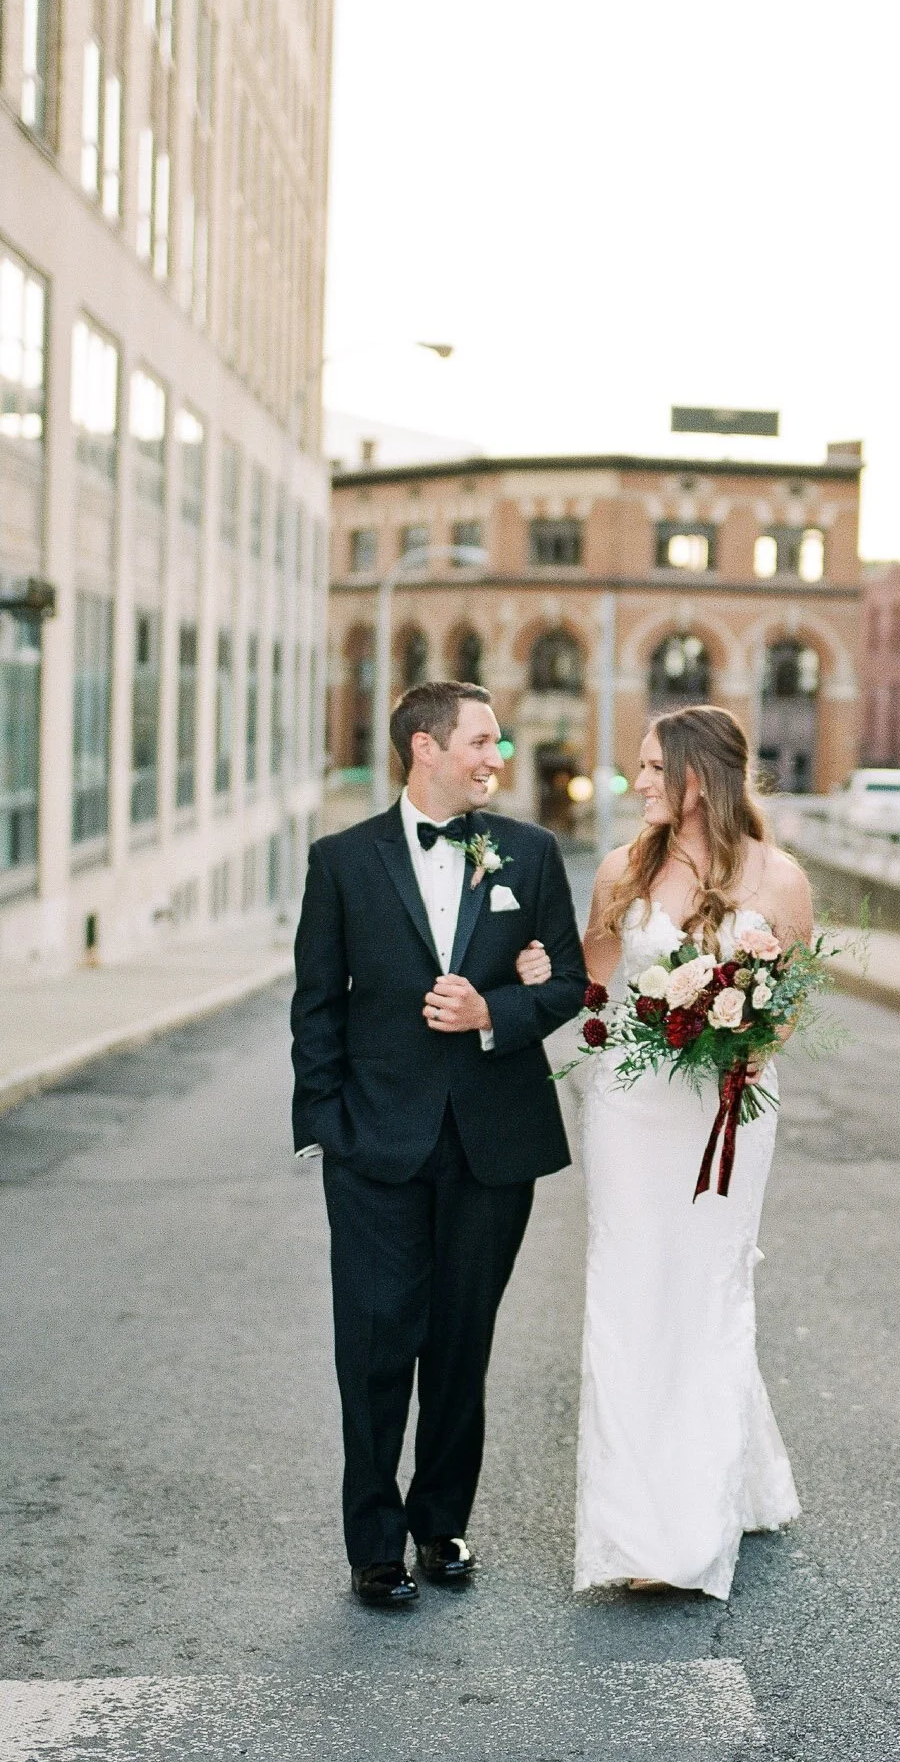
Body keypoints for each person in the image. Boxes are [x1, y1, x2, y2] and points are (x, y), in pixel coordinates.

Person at [291, 680, 586, 1607]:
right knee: (376, 1346)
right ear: (425, 747)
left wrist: (491, 1011)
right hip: (373, 1148)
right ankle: (374, 1543)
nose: (497, 755)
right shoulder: (341, 861)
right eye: (483, 740)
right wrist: (325, 1126)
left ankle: (440, 1525)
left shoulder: (530, 855)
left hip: (492, 1146)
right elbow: (315, 1006)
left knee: (463, 1346)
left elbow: (571, 983)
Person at [574, 703, 810, 1597]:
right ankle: (646, 1535)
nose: (635, 781)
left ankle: (702, 1509)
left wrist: (739, 1026)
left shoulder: (777, 879)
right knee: (633, 1293)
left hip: (726, 1111)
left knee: (707, 1290)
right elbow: (594, 985)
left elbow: (785, 1011)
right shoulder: (620, 871)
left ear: (696, 777)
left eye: (648, 767)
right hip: (632, 1112)